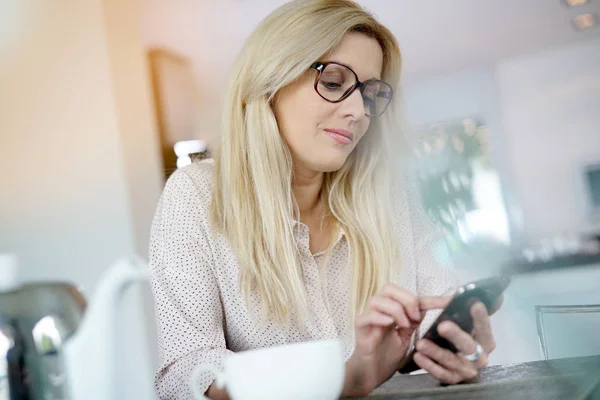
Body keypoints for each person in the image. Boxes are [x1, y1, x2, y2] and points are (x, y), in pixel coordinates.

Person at [148, 1, 499, 399]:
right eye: (333, 83)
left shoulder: (392, 195)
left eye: (370, 95)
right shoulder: (195, 196)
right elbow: (185, 373)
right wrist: (342, 381)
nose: (357, 112)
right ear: (270, 80)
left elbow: (432, 308)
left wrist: (451, 343)